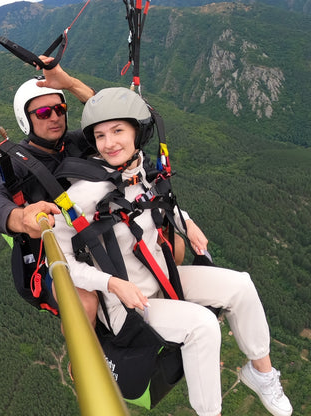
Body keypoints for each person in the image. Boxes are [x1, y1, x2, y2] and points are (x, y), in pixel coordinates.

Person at [52, 87, 293, 416]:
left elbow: (157, 203)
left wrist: (187, 223)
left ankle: (261, 373)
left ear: (138, 131)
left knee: (241, 285)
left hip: (164, 278)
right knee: (203, 326)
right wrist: (111, 283)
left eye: (118, 131)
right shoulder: (84, 194)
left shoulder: (139, 170)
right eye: (100, 135)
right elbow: (63, 263)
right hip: (130, 304)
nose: (109, 143)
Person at [0, 60, 99, 324]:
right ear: (27, 119)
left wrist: (71, 84)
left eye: (60, 108)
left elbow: (115, 121)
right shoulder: (19, 163)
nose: (55, 117)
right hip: (51, 259)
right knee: (86, 303)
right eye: (43, 112)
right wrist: (20, 217)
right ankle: (80, 366)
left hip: (94, 240)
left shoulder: (78, 142)